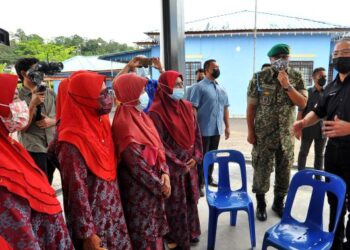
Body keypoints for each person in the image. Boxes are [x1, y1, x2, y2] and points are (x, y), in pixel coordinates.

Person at [55, 72, 131, 249]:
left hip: (113, 209)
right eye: (102, 94)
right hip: (94, 220)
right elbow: (76, 192)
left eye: (107, 92)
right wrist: (88, 233)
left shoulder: (101, 122)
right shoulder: (71, 141)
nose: (108, 98)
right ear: (85, 98)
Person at [0, 73, 73, 249]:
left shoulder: (10, 147)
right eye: (15, 98)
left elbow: (58, 116)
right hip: (35, 145)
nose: (20, 105)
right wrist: (32, 104)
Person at [293, 38, 350, 250]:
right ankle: (336, 241)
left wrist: (349, 128)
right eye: (336, 54)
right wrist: (302, 122)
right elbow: (318, 111)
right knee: (335, 200)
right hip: (333, 153)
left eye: (345, 52)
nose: (340, 56)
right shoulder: (331, 87)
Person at [246, 43, 307, 221]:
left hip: (286, 135)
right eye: (277, 57)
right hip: (263, 135)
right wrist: (250, 131)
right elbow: (250, 108)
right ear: (271, 59)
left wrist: (287, 86)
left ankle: (278, 202)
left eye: (284, 57)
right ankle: (261, 203)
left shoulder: (296, 77)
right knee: (261, 169)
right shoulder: (259, 78)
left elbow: (302, 103)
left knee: (284, 170)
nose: (281, 60)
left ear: (289, 58)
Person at [112, 73, 171, 250]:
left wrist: (165, 173)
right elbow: (137, 166)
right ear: (130, 93)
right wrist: (161, 186)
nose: (146, 95)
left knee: (155, 236)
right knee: (145, 237)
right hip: (139, 194)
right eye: (142, 90)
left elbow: (158, 148)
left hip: (155, 188)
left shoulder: (142, 118)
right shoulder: (124, 124)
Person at [149, 71, 203, 249]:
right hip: (174, 168)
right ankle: (178, 238)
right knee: (176, 205)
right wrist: (179, 165)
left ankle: (192, 232)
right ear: (165, 87)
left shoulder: (187, 106)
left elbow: (197, 133)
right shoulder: (156, 112)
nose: (180, 88)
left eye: (181, 84)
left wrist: (196, 156)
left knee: (190, 200)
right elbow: (159, 145)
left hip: (190, 163)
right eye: (176, 85)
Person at [189, 59, 230, 191]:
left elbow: (225, 109)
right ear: (207, 70)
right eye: (214, 68)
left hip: (216, 129)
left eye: (218, 67)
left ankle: (209, 178)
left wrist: (227, 126)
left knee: (212, 156)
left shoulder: (221, 88)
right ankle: (200, 183)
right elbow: (193, 108)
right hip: (203, 129)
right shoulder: (198, 87)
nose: (217, 70)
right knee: (201, 157)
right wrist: (194, 128)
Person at [15, 58, 56, 184]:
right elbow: (22, 128)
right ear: (23, 73)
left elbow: (64, 115)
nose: (41, 73)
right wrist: (32, 104)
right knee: (38, 185)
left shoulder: (49, 92)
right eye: (36, 69)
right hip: (33, 148)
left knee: (48, 182)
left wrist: (53, 121)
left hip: (52, 146)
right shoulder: (17, 96)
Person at [297, 67, 327, 172]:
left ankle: (318, 177)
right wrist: (298, 128)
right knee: (303, 153)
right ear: (314, 78)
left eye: (325, 76)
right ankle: (301, 174)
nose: (324, 78)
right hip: (308, 129)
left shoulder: (328, 93)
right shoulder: (307, 93)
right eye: (321, 76)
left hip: (323, 130)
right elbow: (300, 111)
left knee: (319, 155)